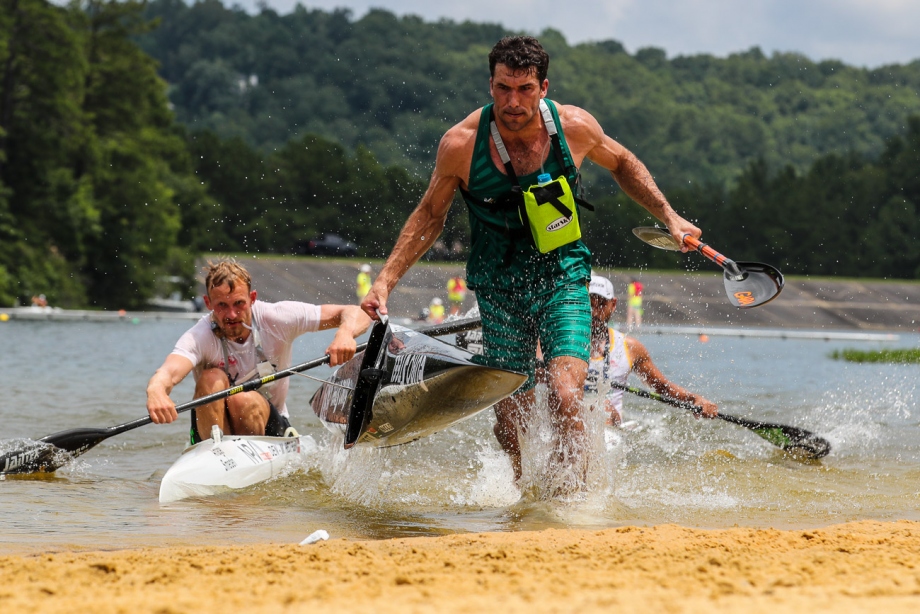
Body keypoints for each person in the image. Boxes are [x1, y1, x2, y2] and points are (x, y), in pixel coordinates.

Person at [361, 36, 704, 486]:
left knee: (565, 394)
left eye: (524, 89)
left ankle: (570, 500)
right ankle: (522, 493)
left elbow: (622, 163)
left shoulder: (575, 127)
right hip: (498, 284)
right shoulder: (461, 145)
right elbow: (430, 216)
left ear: (543, 87)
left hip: (563, 276)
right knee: (512, 403)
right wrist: (385, 282)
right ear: (490, 85)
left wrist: (670, 215)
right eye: (504, 88)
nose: (513, 101)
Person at [146, 260, 371, 444]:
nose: (231, 314)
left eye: (239, 304)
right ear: (208, 303)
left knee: (241, 401)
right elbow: (169, 371)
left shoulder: (277, 318)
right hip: (215, 429)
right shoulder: (199, 336)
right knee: (210, 377)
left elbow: (355, 312)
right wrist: (156, 389)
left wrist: (345, 334)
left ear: (252, 299)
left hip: (267, 423)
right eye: (221, 305)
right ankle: (214, 450)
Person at [587, 275, 717, 425]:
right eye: (589, 305)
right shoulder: (560, 343)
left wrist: (695, 399)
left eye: (601, 304)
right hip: (574, 421)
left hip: (610, 425)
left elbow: (662, 387)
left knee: (602, 407)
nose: (595, 312)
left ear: (613, 304)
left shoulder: (630, 347)